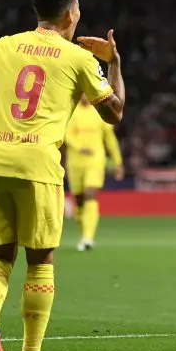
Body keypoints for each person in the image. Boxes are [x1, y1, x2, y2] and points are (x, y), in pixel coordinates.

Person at [0, 0, 125, 351]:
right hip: (37, 166)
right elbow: (114, 113)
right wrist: (113, 63)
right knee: (41, 260)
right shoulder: (79, 58)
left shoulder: (2, 46)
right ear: (70, 13)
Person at [65, 94, 125, 251]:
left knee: (90, 194)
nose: (85, 95)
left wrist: (118, 161)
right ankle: (84, 233)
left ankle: (88, 238)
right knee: (79, 200)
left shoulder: (101, 112)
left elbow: (110, 138)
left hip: (95, 161)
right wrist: (79, 147)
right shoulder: (71, 111)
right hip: (75, 162)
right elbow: (66, 135)